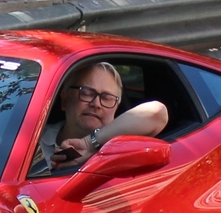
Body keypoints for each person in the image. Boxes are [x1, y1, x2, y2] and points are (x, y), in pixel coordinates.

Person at [36, 59, 170, 171]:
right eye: (87, 92)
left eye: (106, 97)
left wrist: (90, 144)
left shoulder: (120, 144)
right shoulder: (33, 138)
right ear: (65, 100)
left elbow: (157, 112)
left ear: (116, 108)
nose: (96, 104)